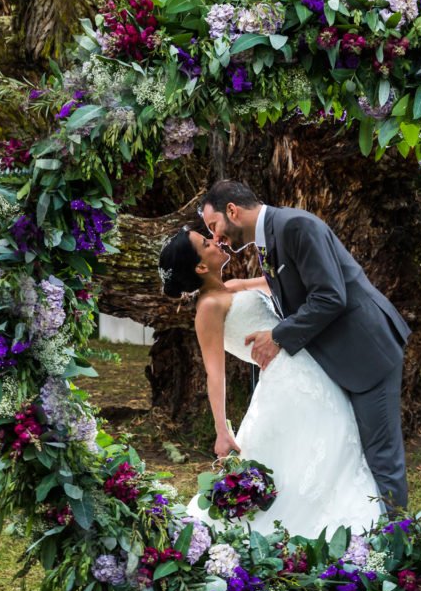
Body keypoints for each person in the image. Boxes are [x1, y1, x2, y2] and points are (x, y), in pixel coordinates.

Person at [198, 179, 411, 512]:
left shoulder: (295, 225)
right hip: (338, 359)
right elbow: (294, 278)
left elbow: (330, 295)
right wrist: (247, 284)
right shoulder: (270, 236)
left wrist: (278, 335)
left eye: (214, 226)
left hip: (367, 352)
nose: (216, 238)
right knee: (356, 458)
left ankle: (398, 552)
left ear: (232, 211)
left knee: (382, 460)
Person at [158, 228, 383, 537]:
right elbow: (215, 373)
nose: (216, 241)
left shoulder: (233, 287)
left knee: (331, 443)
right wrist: (221, 430)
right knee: (309, 450)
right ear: (200, 267)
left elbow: (278, 284)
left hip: (311, 367)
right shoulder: (208, 308)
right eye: (207, 243)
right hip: (286, 382)